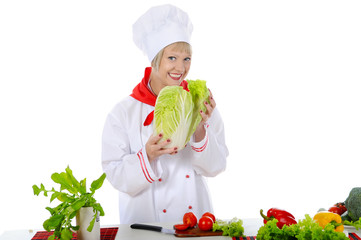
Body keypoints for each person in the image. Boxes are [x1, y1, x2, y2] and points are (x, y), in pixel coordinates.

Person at [101, 4, 228, 224]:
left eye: (186, 59)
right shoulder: (123, 113)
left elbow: (216, 167)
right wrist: (147, 155)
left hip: (195, 223)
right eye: (172, 58)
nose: (180, 67)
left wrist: (199, 128)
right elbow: (114, 174)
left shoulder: (201, 103)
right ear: (154, 59)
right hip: (145, 226)